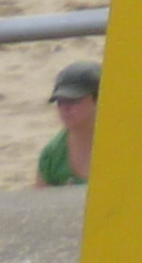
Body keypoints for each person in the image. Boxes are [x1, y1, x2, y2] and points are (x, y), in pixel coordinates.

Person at [39, 57, 100, 186]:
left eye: (73, 101)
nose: (64, 108)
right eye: (60, 101)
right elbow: (39, 203)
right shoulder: (52, 154)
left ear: (99, 100)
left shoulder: (125, 145)